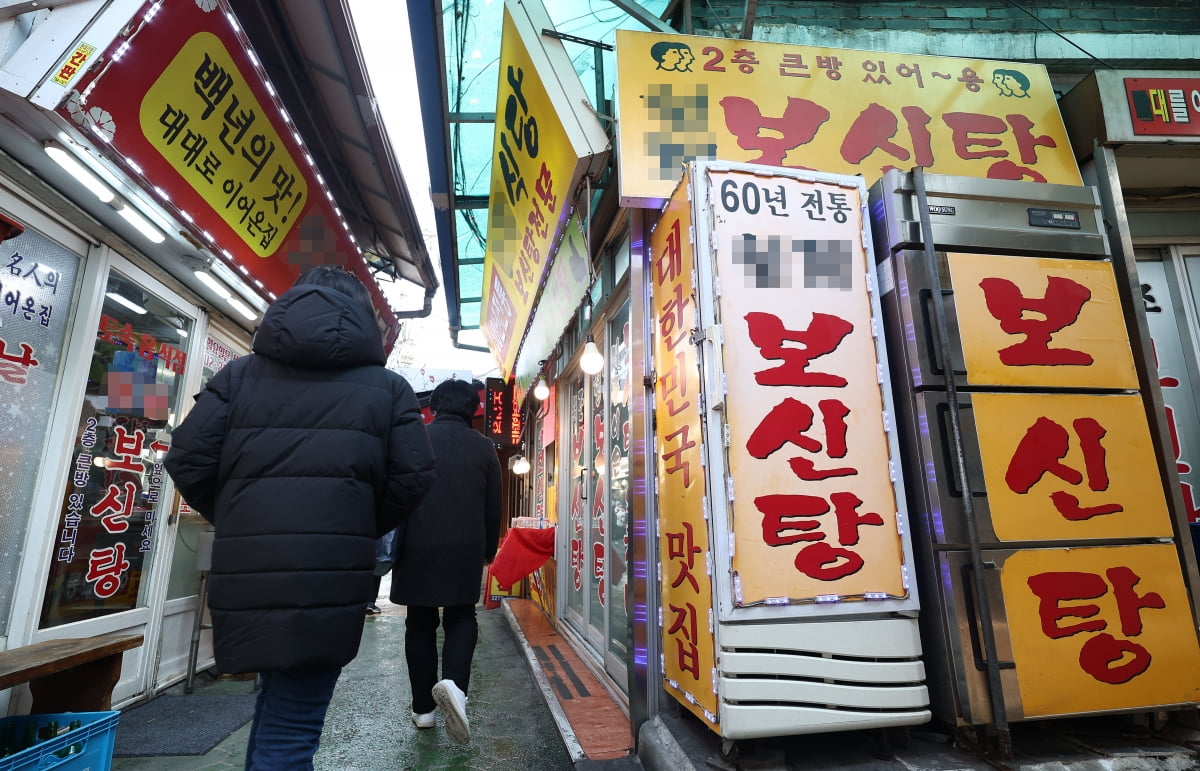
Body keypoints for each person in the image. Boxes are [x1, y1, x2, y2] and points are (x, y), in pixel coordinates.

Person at [164, 265, 435, 770]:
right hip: (329, 575)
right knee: (292, 728)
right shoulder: (388, 389)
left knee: (274, 711)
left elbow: (187, 459)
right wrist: (357, 523)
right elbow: (414, 476)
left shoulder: (239, 375)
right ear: (363, 318)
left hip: (248, 573)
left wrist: (238, 515)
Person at [390, 378, 502, 744]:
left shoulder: (415, 440)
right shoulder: (485, 448)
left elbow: (396, 492)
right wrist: (488, 550)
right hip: (465, 546)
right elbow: (493, 508)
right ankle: (455, 687)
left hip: (417, 543)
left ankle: (423, 709)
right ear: (473, 410)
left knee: (419, 622)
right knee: (461, 616)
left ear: (434, 407)